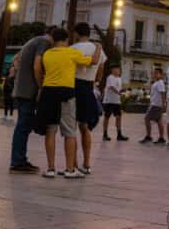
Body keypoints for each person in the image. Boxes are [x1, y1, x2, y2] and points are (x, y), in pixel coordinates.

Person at [34, 27, 101, 178]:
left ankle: (51, 169)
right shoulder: (71, 52)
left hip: (48, 93)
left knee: (50, 131)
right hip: (66, 93)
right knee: (70, 132)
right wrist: (98, 47)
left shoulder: (47, 54)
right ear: (66, 40)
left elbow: (39, 69)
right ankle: (70, 169)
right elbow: (94, 61)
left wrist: (40, 86)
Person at [10, 26, 55, 174]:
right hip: (28, 91)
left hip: (21, 89)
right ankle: (18, 162)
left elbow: (15, 59)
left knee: (23, 126)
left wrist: (18, 74)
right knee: (23, 127)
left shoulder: (32, 41)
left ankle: (19, 160)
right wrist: (41, 86)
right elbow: (37, 65)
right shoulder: (44, 42)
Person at [71, 23, 106, 175]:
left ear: (77, 34)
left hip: (73, 86)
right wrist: (95, 82)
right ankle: (87, 164)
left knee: (70, 129)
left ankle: (73, 164)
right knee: (84, 127)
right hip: (88, 87)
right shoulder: (97, 49)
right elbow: (100, 71)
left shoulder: (73, 48)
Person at [101, 65, 128, 141]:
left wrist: (123, 91)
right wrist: (119, 93)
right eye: (116, 69)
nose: (118, 71)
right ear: (112, 70)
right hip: (109, 101)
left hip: (117, 101)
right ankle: (105, 134)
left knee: (119, 117)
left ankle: (119, 135)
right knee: (107, 117)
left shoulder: (119, 79)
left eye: (119, 69)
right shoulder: (110, 77)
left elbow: (118, 88)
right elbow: (112, 87)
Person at [142, 68, 166, 144]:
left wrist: (163, 104)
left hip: (156, 105)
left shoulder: (160, 83)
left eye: (157, 73)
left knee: (147, 119)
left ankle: (149, 136)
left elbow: (163, 93)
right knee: (159, 121)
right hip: (154, 104)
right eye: (154, 73)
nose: (155, 74)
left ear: (161, 75)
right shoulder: (156, 83)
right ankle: (161, 138)